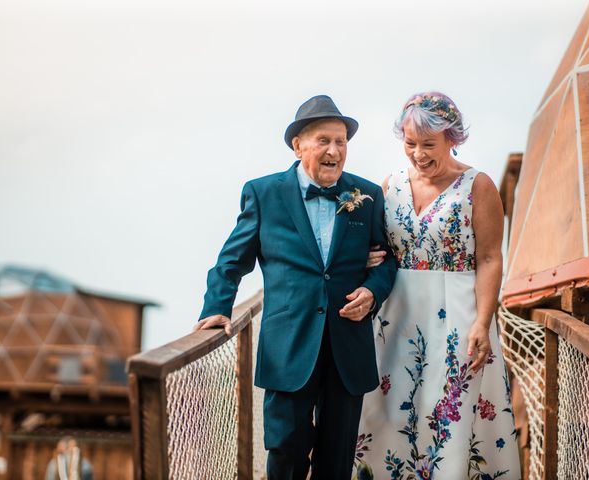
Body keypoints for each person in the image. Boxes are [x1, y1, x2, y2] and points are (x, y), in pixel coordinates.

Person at [196, 95, 397, 479]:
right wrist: (216, 308)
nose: (334, 151)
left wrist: (373, 292)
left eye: (341, 142)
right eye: (324, 140)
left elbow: (385, 262)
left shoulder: (367, 196)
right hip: (288, 347)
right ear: (298, 145)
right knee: (285, 451)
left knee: (337, 461)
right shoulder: (263, 193)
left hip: (347, 348)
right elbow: (231, 261)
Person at [355, 92, 521, 478]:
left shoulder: (477, 186)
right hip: (396, 318)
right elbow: (378, 248)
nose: (418, 154)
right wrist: (364, 257)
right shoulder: (389, 186)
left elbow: (490, 258)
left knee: (447, 412)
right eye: (410, 144)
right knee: (390, 411)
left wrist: (482, 322)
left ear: (452, 138)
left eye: (428, 144)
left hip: (458, 316)